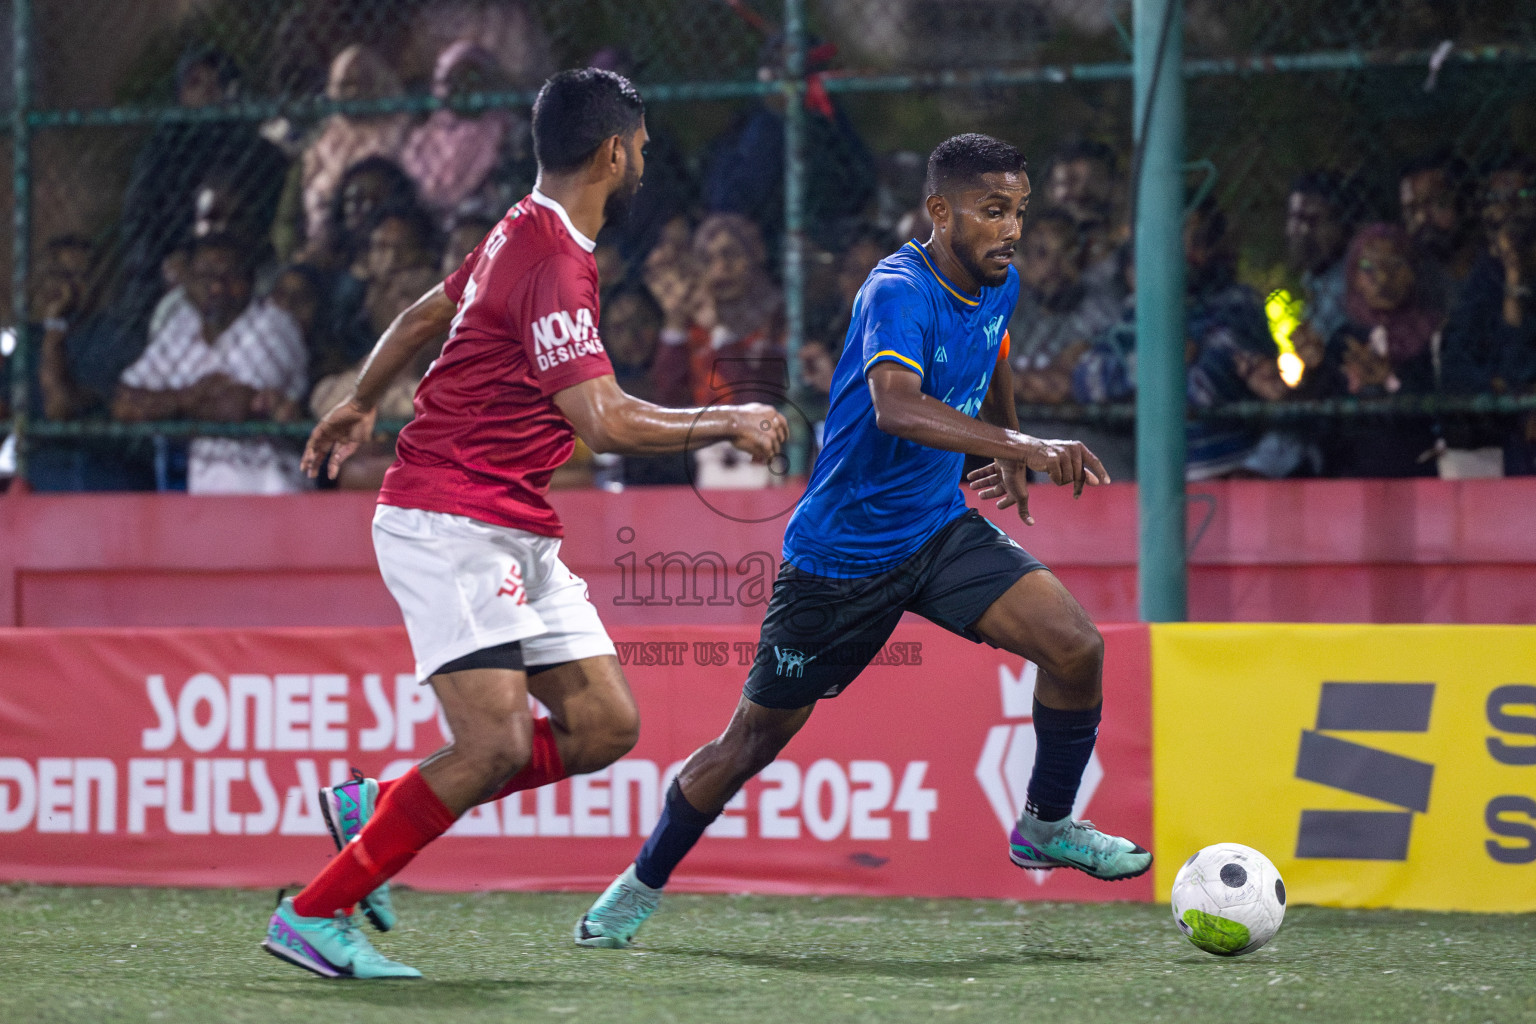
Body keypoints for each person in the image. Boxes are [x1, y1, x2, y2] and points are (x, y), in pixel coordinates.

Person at [260, 67, 787, 980]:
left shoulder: (526, 226)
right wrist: (728, 418)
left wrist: (358, 400)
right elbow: (605, 421)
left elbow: (431, 310)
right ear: (614, 152)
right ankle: (315, 912)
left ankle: (379, 802)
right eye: (643, 143)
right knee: (495, 743)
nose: (648, 156)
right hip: (450, 514)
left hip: (510, 520)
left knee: (603, 727)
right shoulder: (551, 259)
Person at [574, 133, 1148, 951]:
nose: (1012, 228)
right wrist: (1025, 449)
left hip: (937, 532)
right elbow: (895, 406)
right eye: (994, 211)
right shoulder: (895, 290)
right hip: (837, 564)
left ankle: (1045, 825)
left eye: (1020, 210)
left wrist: (1003, 438)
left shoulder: (1000, 280)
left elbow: (997, 343)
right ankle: (640, 884)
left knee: (1076, 648)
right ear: (941, 212)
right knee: (748, 745)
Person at [112, 234, 308, 494]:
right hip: (202, 493)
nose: (216, 287)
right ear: (188, 280)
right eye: (205, 277)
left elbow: (235, 408)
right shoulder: (181, 325)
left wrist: (167, 404)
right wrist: (191, 397)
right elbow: (124, 404)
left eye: (229, 277)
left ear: (249, 280)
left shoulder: (273, 325)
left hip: (269, 487)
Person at [1316, 225, 1442, 477]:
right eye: (1368, 268)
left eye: (1395, 265)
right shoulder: (1342, 341)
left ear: (1413, 273)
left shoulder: (1433, 335)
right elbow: (1323, 429)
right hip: (1353, 481)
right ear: (1353, 277)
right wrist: (1314, 373)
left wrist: (1391, 380)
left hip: (1419, 474)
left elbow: (1441, 415)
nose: (1383, 278)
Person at [400, 41, 524, 220]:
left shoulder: (508, 132)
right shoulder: (421, 139)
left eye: (473, 80)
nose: (464, 89)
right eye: (454, 82)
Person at [1286, 170, 1361, 364]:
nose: (1298, 230)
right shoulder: (1315, 283)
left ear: (1343, 224)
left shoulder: (1359, 278)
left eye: (1311, 220)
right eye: (1294, 218)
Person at [1398, 150, 1478, 312]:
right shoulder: (1411, 280)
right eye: (1411, 210)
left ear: (1464, 203)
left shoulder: (1494, 273)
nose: (1421, 218)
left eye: (1436, 203)